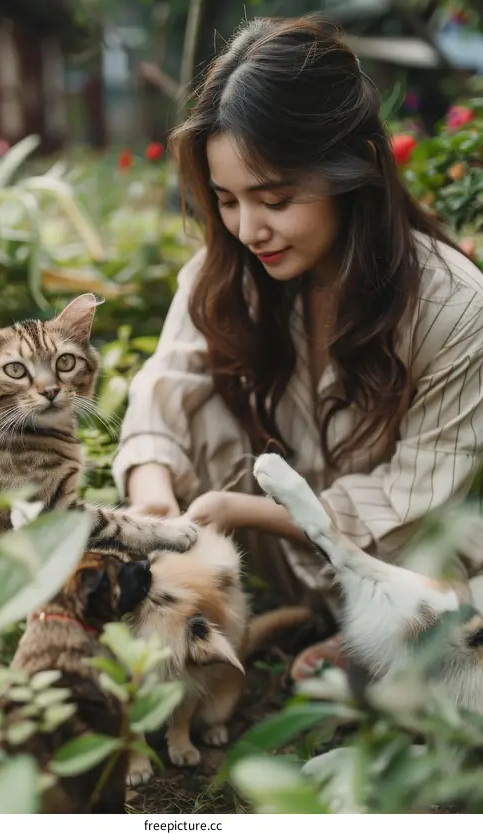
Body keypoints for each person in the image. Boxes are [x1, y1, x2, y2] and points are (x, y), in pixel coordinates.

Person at [111, 15, 483, 680]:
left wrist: (255, 511)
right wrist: (150, 498)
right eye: (226, 200)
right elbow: (166, 383)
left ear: (358, 171)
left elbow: (422, 503)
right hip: (289, 569)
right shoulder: (232, 272)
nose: (249, 228)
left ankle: (380, 646)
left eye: (275, 199)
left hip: (408, 574)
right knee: (195, 400)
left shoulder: (454, 304)